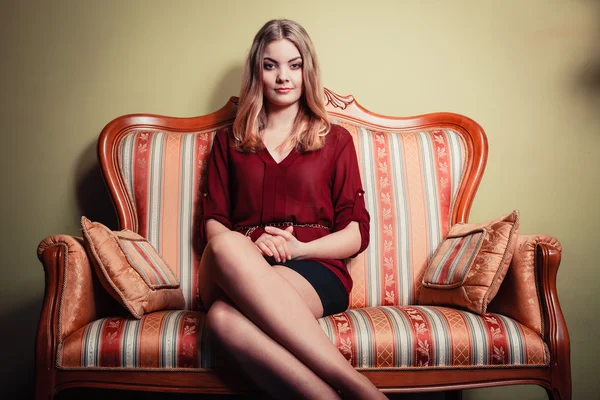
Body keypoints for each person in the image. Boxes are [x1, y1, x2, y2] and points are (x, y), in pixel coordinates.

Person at [198, 19, 387, 400]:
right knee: (225, 246)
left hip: (314, 270)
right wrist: (252, 247)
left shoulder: (335, 140)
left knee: (221, 319)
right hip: (241, 265)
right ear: (257, 72)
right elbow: (214, 223)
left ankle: (339, 393)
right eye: (271, 65)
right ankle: (358, 387)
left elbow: (355, 233)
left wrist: (298, 249)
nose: (283, 77)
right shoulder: (229, 141)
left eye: (294, 65)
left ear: (307, 70)